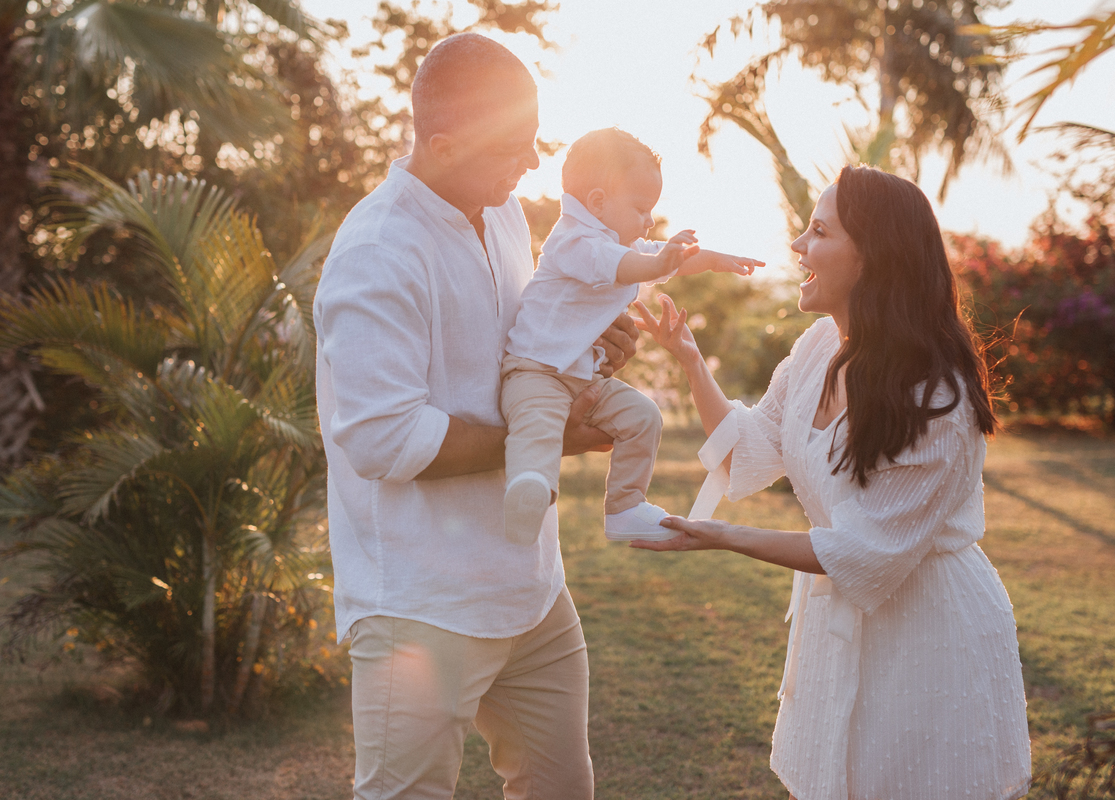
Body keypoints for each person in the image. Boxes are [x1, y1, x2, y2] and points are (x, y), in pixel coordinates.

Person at [633, 165, 1032, 800]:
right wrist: (689, 360)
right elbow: (752, 451)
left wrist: (722, 536)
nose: (797, 247)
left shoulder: (937, 395)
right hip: (836, 615)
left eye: (817, 231)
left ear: (874, 257)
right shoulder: (820, 346)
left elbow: (864, 552)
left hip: (927, 633)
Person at [314, 33, 633, 799]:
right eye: (512, 150)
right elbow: (385, 440)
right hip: (421, 605)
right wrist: (548, 438)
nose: (530, 166)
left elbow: (516, 352)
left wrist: (584, 339)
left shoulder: (505, 216)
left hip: (531, 589)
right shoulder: (376, 252)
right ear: (442, 142)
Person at [502, 127, 763, 545]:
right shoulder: (573, 240)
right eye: (642, 207)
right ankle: (528, 495)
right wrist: (661, 262)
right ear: (598, 203)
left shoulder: (616, 243)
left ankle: (624, 508)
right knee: (537, 430)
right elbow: (629, 266)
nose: (650, 219)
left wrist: (713, 259)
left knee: (643, 417)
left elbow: (656, 259)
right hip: (536, 371)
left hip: (584, 378)